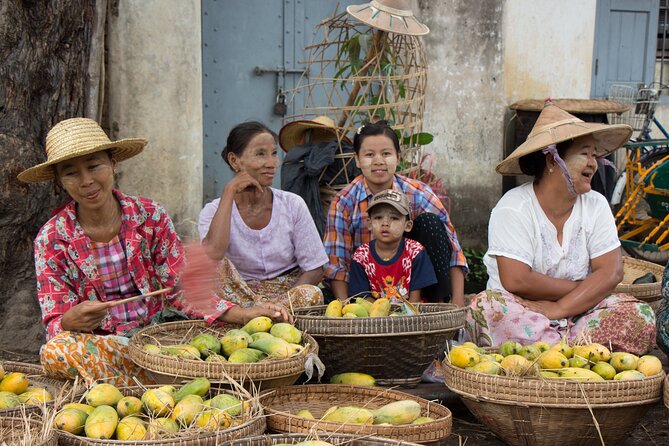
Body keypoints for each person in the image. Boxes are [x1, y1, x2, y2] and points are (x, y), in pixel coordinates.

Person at [18, 118, 290, 386]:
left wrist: (243, 314)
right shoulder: (52, 239)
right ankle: (170, 375)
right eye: (71, 172)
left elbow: (181, 288)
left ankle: (155, 374)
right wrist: (69, 321)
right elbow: (54, 322)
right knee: (57, 353)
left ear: (113, 164)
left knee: (226, 337)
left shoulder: (150, 216)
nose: (86, 180)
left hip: (159, 335)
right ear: (59, 181)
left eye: (94, 166)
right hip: (103, 343)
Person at [465, 103, 656, 355]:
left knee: (639, 314)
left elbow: (611, 272)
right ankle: (576, 352)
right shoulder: (513, 207)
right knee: (486, 308)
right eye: (584, 154)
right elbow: (516, 279)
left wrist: (560, 308)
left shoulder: (596, 205)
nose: (594, 163)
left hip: (580, 313)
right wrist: (586, 286)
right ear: (551, 161)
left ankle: (555, 351)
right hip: (523, 312)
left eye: (595, 155)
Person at [323, 120, 467, 305]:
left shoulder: (417, 193)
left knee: (430, 223)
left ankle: (437, 305)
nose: (378, 161)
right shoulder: (344, 202)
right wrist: (346, 310)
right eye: (369, 154)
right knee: (323, 297)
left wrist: (457, 302)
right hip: (366, 293)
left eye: (386, 153)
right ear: (357, 160)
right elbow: (336, 264)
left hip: (415, 286)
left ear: (398, 157)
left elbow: (454, 249)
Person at [199, 121, 328, 309]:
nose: (272, 163)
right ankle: (251, 314)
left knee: (312, 293)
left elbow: (315, 269)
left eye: (274, 154)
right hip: (238, 295)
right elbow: (214, 254)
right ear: (235, 161)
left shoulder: (292, 204)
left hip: (287, 295)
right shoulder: (212, 211)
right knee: (209, 271)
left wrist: (281, 304)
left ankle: (260, 315)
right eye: (260, 154)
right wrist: (229, 191)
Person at [348, 189, 437, 303]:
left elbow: (416, 298)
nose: (385, 223)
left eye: (394, 218)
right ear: (369, 224)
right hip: (376, 316)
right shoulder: (361, 256)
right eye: (378, 217)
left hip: (411, 313)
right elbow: (363, 297)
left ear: (408, 226)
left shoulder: (415, 252)